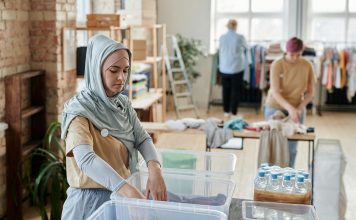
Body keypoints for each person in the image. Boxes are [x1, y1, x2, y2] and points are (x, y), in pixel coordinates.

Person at [60, 34, 167, 219]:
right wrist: (127, 190)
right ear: (96, 69)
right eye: (114, 70)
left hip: (120, 199)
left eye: (125, 70)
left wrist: (155, 170)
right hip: (89, 204)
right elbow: (85, 159)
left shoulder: (122, 104)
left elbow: (142, 138)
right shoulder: (78, 111)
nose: (121, 78)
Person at [264, 37, 316, 167]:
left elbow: (310, 92)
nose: (295, 58)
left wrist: (299, 108)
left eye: (298, 55)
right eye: (292, 55)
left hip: (297, 107)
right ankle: (271, 178)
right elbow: (275, 92)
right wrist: (291, 109)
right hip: (275, 105)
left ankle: (288, 176)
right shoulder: (277, 64)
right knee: (273, 145)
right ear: (286, 51)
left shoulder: (307, 65)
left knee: (291, 147)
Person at [219, 19, 247, 119]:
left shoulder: (222, 37)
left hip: (224, 68)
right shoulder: (240, 37)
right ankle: (234, 113)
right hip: (236, 68)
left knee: (225, 90)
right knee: (235, 91)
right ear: (236, 26)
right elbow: (246, 47)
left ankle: (226, 112)